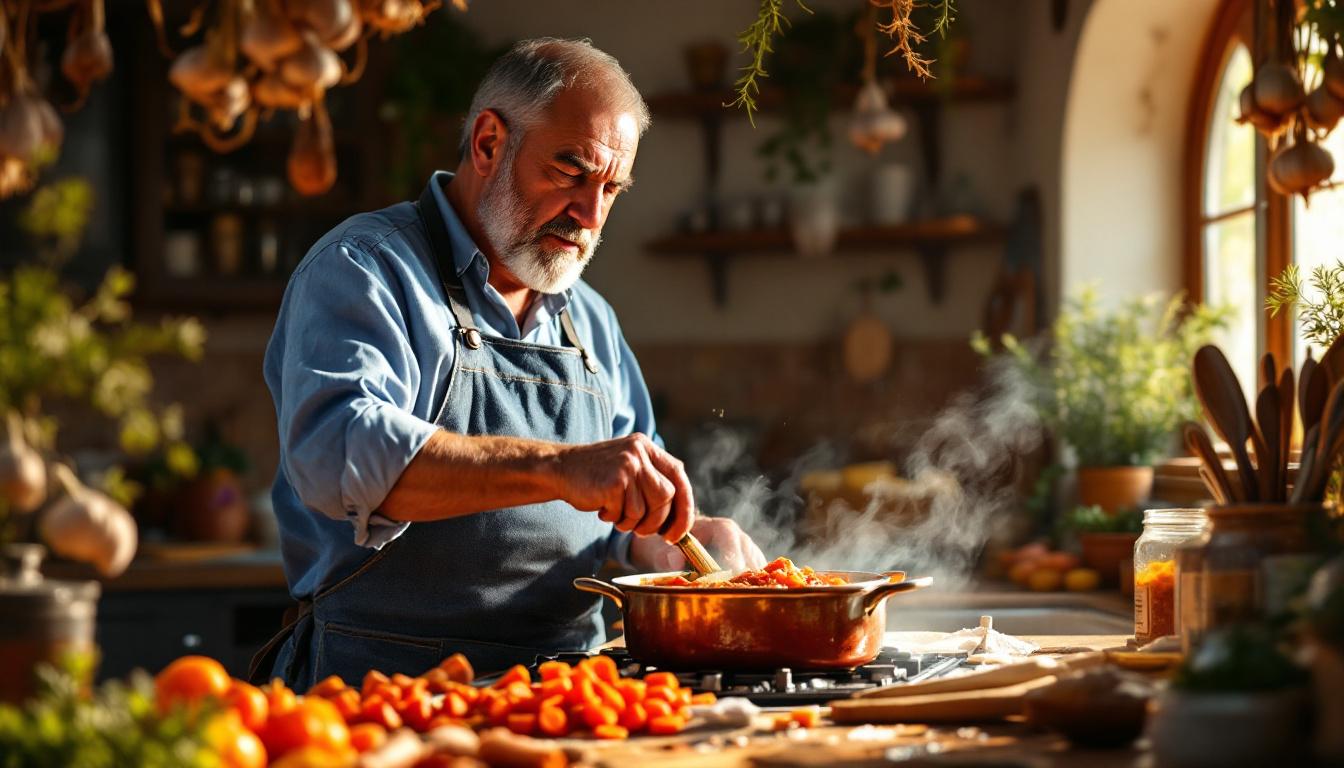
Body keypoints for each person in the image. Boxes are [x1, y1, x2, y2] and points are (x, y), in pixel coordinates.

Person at [255, 37, 765, 690]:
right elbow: (340, 456)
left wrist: (668, 544)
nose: (590, 215)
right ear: (489, 143)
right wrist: (559, 468)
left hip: (570, 698)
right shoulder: (365, 269)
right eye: (570, 172)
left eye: (611, 188)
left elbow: (622, 523)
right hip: (382, 695)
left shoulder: (591, 321)